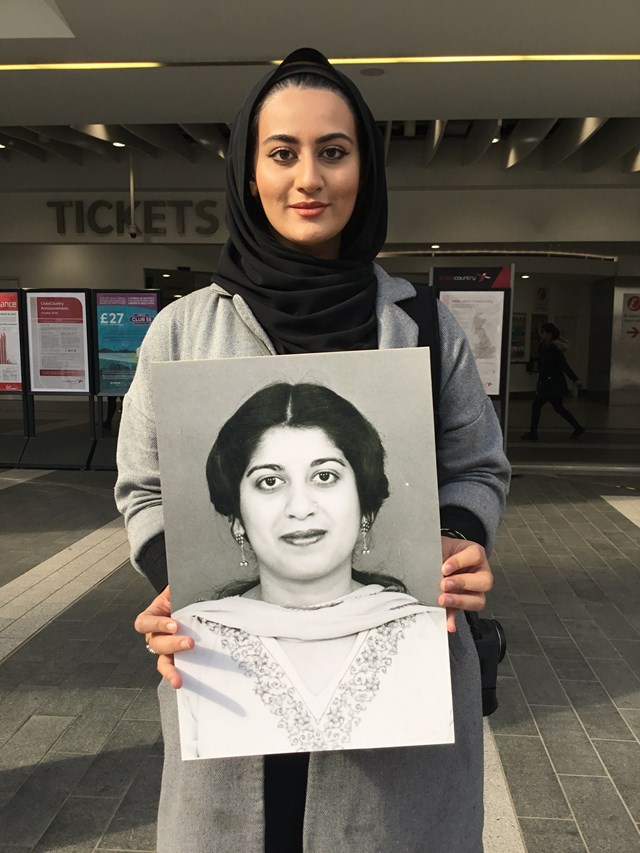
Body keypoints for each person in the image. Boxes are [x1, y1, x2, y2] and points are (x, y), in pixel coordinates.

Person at [117, 47, 510, 853]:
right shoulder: (183, 331)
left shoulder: (425, 324)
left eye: (334, 151)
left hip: (404, 694)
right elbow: (144, 488)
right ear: (247, 171)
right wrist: (178, 581)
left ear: (363, 166)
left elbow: (477, 466)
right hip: (229, 689)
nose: (309, 178)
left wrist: (460, 538)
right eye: (283, 152)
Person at [173, 382, 454, 760]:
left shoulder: (427, 636)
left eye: (324, 476)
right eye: (270, 482)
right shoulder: (193, 641)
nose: (300, 507)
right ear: (237, 517)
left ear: (365, 505)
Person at [521, 321, 585, 441]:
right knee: (558, 408)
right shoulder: (542, 347)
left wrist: (575, 379)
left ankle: (533, 433)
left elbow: (563, 365)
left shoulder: (554, 350)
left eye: (543, 332)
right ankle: (578, 427)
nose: (540, 334)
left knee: (537, 407)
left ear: (549, 334)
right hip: (547, 384)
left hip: (552, 385)